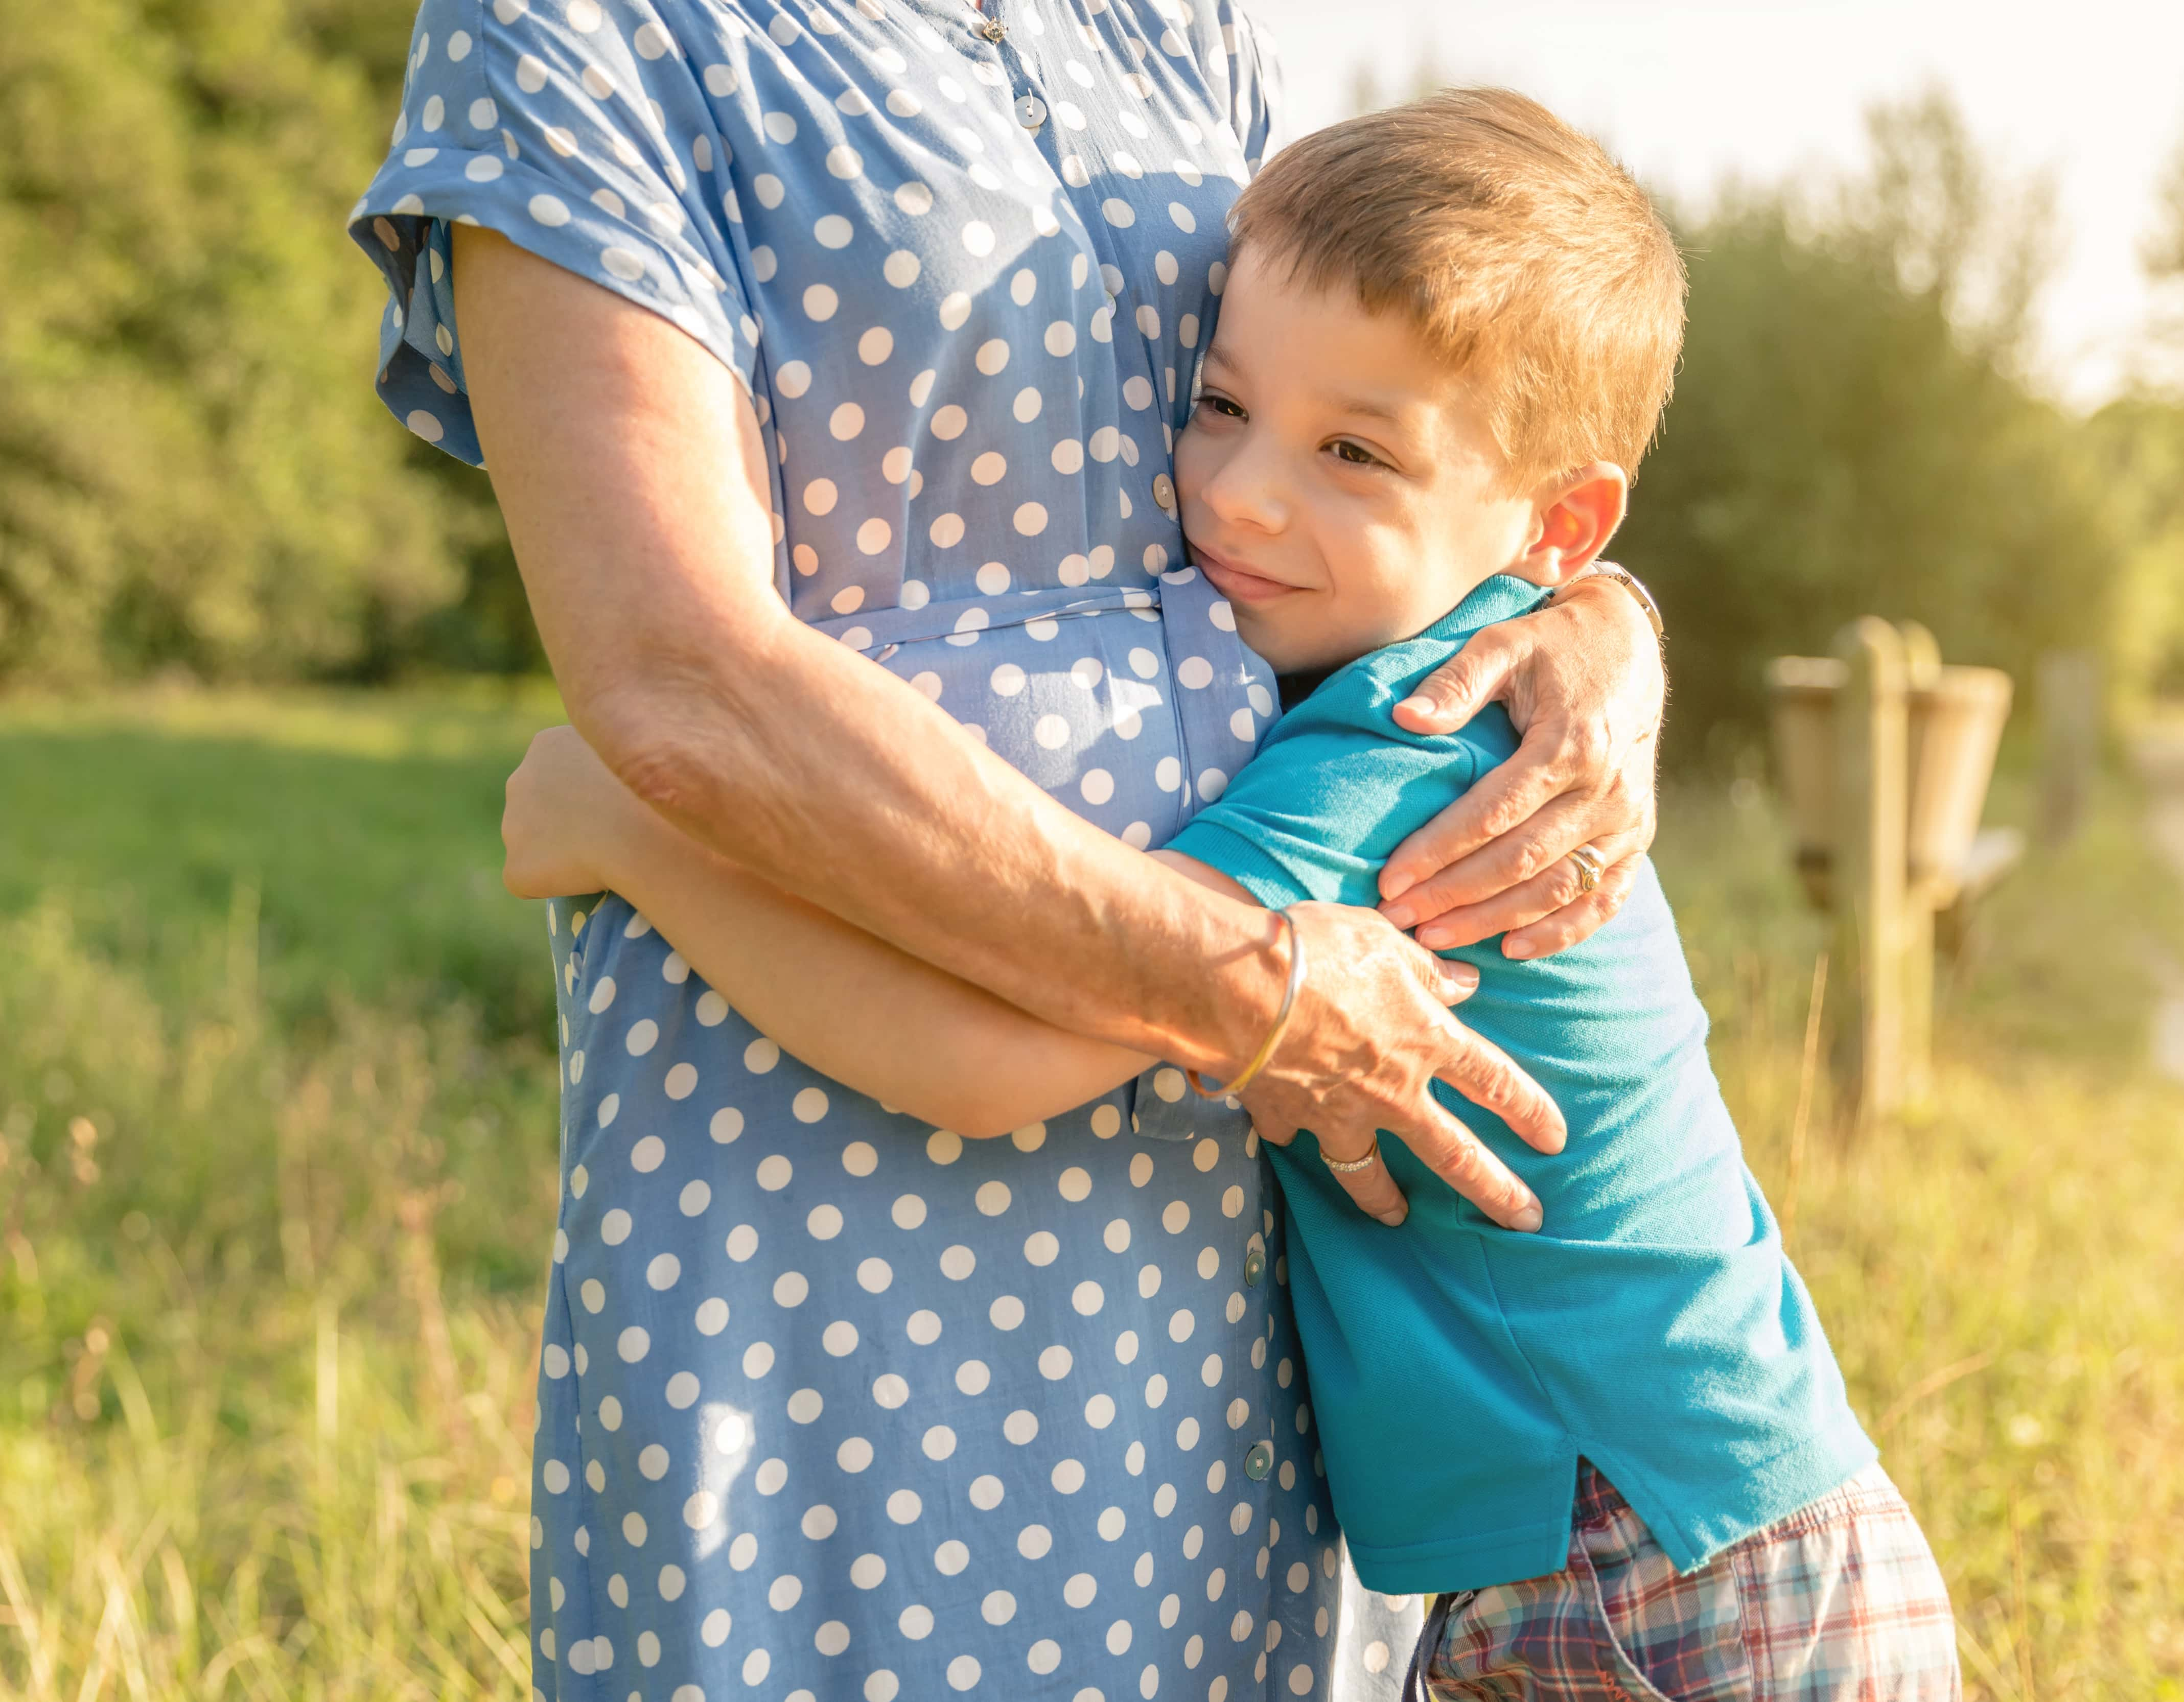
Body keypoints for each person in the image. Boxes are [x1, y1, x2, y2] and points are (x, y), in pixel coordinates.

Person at [502, 90, 1963, 1699]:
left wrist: (636, 835)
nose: (1244, 494)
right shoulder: (1422, 685)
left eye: (1354, 451)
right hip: (1702, 1540)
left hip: (1652, 1574)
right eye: (1217, 404)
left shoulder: (1395, 745)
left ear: (1559, 527)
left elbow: (1003, 1064)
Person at [348, 0, 1668, 1693]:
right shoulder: (590, 29)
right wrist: (1254, 984)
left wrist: (1584, 618)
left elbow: (1406, 409)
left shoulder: (1173, 21)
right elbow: (676, 670)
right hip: (833, 1084)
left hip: (1225, 1171)